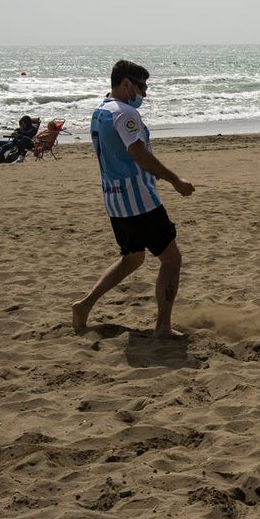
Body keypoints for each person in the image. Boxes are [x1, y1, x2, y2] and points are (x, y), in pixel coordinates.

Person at [72, 60, 195, 338]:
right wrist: (175, 179)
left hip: (114, 201)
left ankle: (83, 306)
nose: (145, 94)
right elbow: (139, 154)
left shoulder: (100, 110)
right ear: (126, 83)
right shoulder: (124, 113)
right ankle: (163, 327)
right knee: (172, 259)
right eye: (142, 87)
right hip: (138, 201)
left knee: (132, 258)